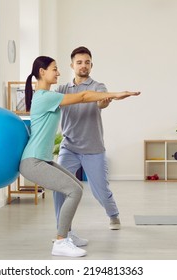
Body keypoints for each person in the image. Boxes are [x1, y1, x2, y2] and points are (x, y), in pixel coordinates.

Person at [19, 56, 140, 258]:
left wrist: (105, 101)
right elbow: (83, 97)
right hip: (33, 161)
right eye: (54, 69)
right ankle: (60, 241)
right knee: (74, 191)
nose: (57, 73)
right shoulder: (45, 96)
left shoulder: (46, 95)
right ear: (42, 72)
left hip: (43, 159)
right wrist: (119, 94)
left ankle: (67, 233)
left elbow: (89, 98)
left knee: (76, 186)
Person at [53, 47, 124, 248]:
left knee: (100, 190)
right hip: (69, 148)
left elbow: (101, 103)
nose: (83, 65)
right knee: (60, 187)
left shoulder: (98, 87)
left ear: (91, 65)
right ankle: (63, 230)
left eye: (87, 62)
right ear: (72, 65)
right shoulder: (62, 89)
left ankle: (113, 215)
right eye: (79, 62)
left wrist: (103, 103)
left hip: (93, 149)